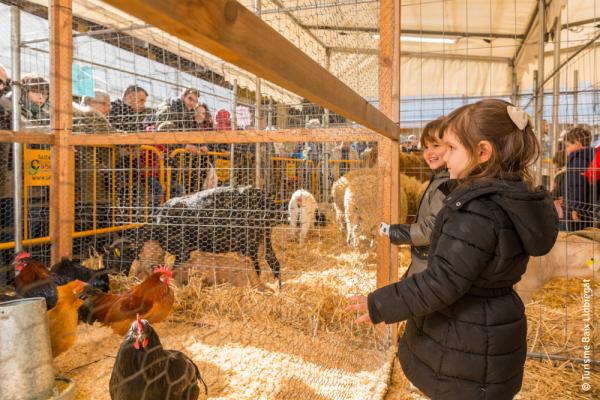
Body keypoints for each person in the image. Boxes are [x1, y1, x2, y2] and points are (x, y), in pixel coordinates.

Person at [348, 99, 558, 400]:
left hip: (464, 342)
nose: (444, 157)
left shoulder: (477, 212)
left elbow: (441, 282)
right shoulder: (511, 201)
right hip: (493, 333)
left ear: (482, 153)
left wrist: (379, 304)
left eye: (453, 148)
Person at [379, 117, 451, 277]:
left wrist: (393, 231)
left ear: (453, 147)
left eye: (436, 145)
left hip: (432, 262)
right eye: (425, 147)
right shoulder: (438, 180)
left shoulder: (446, 185)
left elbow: (431, 229)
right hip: (425, 257)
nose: (429, 152)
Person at [562, 126, 596, 231]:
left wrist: (574, 208)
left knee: (575, 237)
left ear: (577, 143)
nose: (566, 149)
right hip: (588, 208)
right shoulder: (591, 158)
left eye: (567, 145)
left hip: (577, 211)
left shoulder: (578, 160)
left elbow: (578, 186)